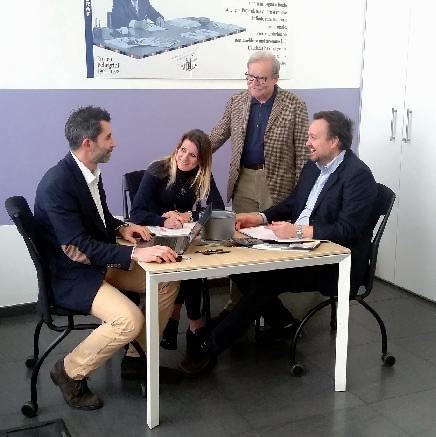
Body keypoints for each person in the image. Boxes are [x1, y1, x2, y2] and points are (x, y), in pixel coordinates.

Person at [179, 110, 378, 376]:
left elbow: (348, 230)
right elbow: (292, 204)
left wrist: (298, 231)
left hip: (334, 262)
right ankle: (283, 322)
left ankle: (209, 348)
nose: (307, 143)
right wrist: (258, 217)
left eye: (314, 137)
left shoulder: (358, 175)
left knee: (266, 280)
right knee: (241, 265)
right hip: (301, 248)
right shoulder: (313, 166)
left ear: (334, 142)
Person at [34, 106, 181, 411]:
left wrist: (121, 228)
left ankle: (136, 359)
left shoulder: (88, 173)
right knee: (129, 319)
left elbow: (98, 220)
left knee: (167, 280)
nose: (114, 143)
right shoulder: (58, 184)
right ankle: (69, 371)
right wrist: (135, 252)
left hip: (95, 264)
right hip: (72, 274)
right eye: (109, 137)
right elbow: (79, 246)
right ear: (88, 143)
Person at [209, 50, 310, 318]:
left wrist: (302, 194)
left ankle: (268, 308)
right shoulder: (237, 101)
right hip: (243, 178)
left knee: (272, 244)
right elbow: (218, 134)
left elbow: (303, 155)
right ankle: (236, 304)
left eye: (261, 78)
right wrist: (191, 153)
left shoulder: (294, 105)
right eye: (250, 76)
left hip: (277, 183)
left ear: (275, 78)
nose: (254, 83)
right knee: (241, 242)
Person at [130, 129, 225, 354]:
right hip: (153, 237)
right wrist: (163, 219)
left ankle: (175, 322)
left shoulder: (201, 174)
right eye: (182, 150)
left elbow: (218, 208)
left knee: (190, 260)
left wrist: (189, 215)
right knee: (185, 264)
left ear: (201, 160)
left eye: (193, 155)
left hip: (179, 236)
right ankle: (194, 324)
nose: (184, 158)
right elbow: (136, 213)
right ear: (177, 148)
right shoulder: (158, 170)